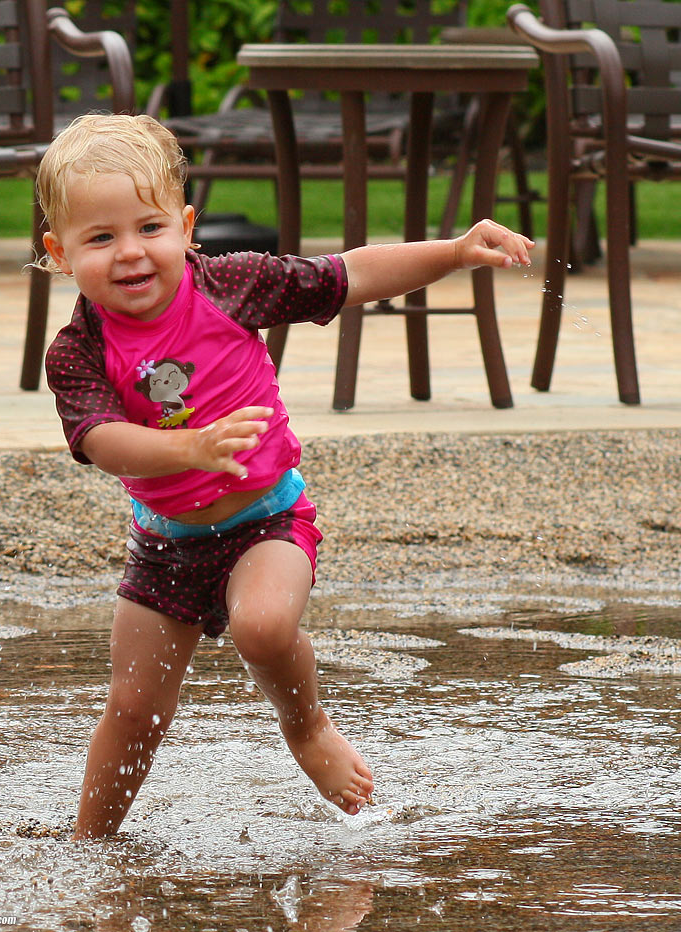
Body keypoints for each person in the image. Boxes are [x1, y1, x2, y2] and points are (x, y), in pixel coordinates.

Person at [39, 113, 534, 841]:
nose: (131, 252)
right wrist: (193, 448)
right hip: (165, 545)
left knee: (264, 627)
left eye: (149, 228)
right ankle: (89, 845)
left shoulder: (230, 285)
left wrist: (455, 251)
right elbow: (103, 442)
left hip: (265, 521)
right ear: (59, 251)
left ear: (186, 226)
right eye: (100, 238)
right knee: (134, 707)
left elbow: (350, 275)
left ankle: (306, 726)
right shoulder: (78, 350)